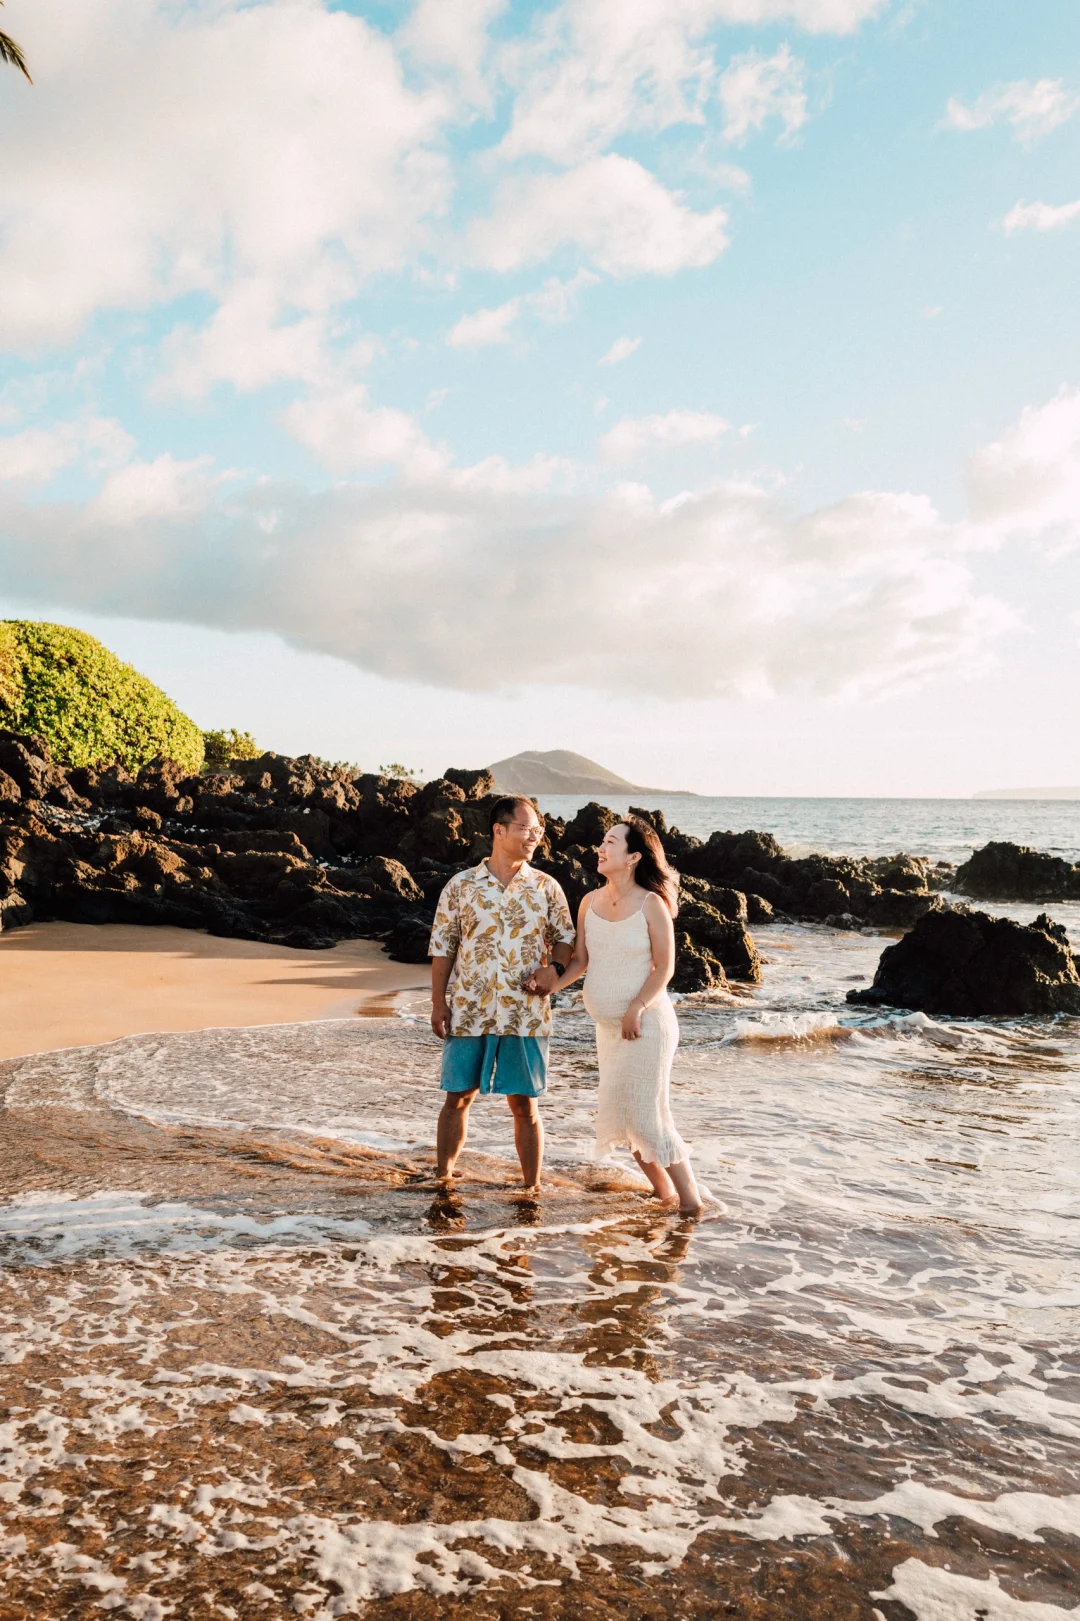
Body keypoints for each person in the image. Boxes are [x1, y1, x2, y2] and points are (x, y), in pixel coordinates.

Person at [530, 816, 708, 1218]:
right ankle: (665, 1196)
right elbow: (579, 962)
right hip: (609, 1031)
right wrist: (548, 987)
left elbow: (665, 967)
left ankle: (692, 1204)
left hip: (647, 1026)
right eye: (602, 840)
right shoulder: (589, 902)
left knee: (650, 1116)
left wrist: (636, 1007)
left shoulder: (651, 904)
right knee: (626, 1119)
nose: (600, 848)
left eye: (610, 842)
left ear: (632, 857)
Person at [429, 796, 574, 1193]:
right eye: (527, 829)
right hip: (469, 1009)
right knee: (457, 1098)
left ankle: (532, 1189)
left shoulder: (546, 887)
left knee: (525, 1106)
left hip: (524, 1015)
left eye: (538, 831)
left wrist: (554, 969)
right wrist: (438, 1003)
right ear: (499, 830)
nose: (535, 837)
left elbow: (564, 942)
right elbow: (443, 947)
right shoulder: (460, 886)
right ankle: (442, 1180)